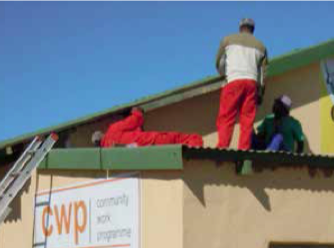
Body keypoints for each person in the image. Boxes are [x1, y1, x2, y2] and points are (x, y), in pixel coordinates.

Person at [215, 18, 268, 150]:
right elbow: (263, 73)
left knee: (227, 116)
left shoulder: (227, 40)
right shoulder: (261, 46)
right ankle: (244, 150)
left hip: (233, 81)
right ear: (253, 30)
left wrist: (225, 75)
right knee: (247, 120)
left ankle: (222, 147)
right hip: (251, 83)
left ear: (240, 28)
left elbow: (219, 63)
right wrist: (260, 92)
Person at [91, 107, 203, 148]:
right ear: (102, 134)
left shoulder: (108, 153)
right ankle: (197, 150)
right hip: (149, 141)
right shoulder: (112, 131)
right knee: (178, 138)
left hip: (147, 152)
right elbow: (135, 121)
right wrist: (136, 111)